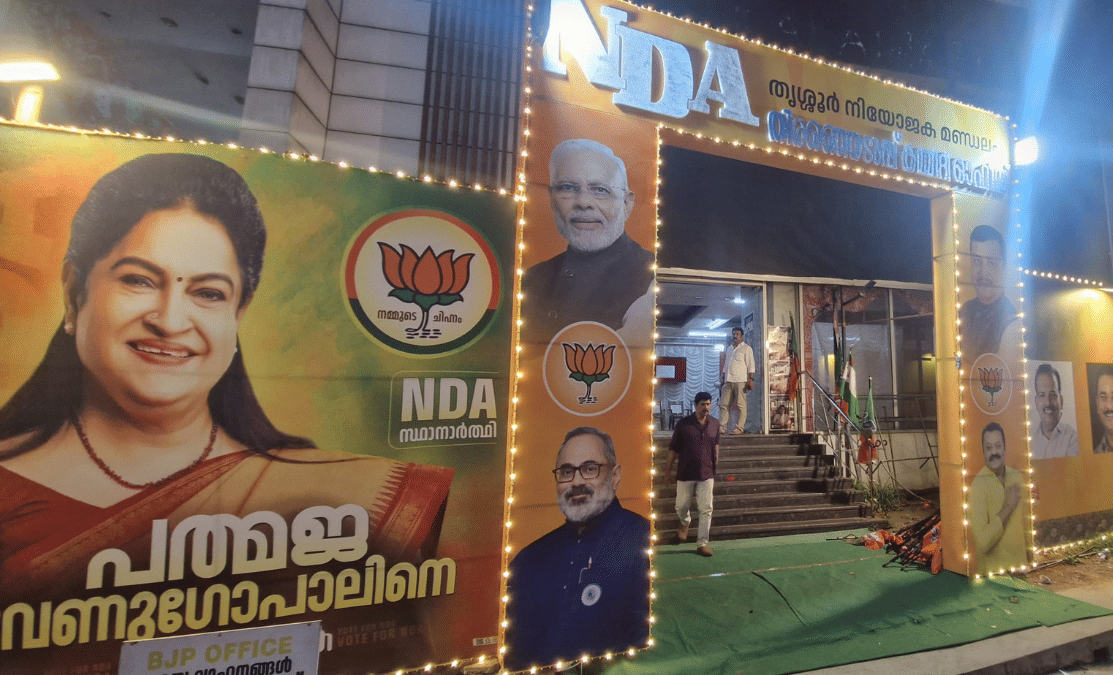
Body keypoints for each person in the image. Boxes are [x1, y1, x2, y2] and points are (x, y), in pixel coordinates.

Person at [0, 154, 452, 668]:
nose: (170, 321)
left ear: (238, 314)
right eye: (138, 281)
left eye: (208, 293)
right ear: (73, 290)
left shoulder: (347, 494)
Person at [505, 427, 650, 669]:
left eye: (590, 468)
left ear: (615, 477)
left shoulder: (643, 540)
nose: (577, 481)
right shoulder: (530, 558)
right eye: (566, 471)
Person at [521, 139, 654, 343]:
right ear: (551, 198)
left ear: (626, 203)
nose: (583, 202)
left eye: (600, 190)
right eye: (567, 188)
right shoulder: (529, 281)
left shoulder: (652, 279)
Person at [968, 422, 1031, 573]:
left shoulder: (1016, 477)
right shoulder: (978, 485)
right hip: (994, 575)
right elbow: (983, 543)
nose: (994, 452)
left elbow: (1027, 525)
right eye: (989, 448)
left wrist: (1029, 559)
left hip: (1020, 569)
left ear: (1005, 449)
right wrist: (1008, 508)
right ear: (983, 452)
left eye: (998, 446)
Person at [666, 391, 720, 557]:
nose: (706, 407)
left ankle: (702, 543)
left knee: (706, 509)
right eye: (703, 404)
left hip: (706, 473)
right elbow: (673, 449)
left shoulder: (715, 424)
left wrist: (715, 464)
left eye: (708, 404)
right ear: (696, 405)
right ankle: (685, 522)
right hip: (685, 473)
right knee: (681, 506)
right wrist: (667, 471)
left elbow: (716, 445)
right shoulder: (683, 424)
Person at [958, 225, 1018, 362]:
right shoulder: (963, 312)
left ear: (1004, 267)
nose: (983, 272)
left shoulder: (1011, 321)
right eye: (977, 261)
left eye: (991, 263)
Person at [1030, 363, 1079, 459]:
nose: (1047, 402)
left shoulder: (1073, 439)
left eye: (1053, 395)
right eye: (1042, 395)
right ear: (1036, 402)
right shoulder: (1029, 440)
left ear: (1061, 400)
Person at [719, 327, 755, 434]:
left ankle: (739, 428)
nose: (735, 336)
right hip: (728, 380)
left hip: (740, 381)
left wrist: (751, 379)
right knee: (723, 404)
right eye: (734, 334)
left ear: (742, 336)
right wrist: (723, 376)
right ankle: (721, 427)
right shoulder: (729, 348)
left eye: (738, 334)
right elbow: (726, 364)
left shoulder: (747, 348)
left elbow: (751, 366)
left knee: (741, 405)